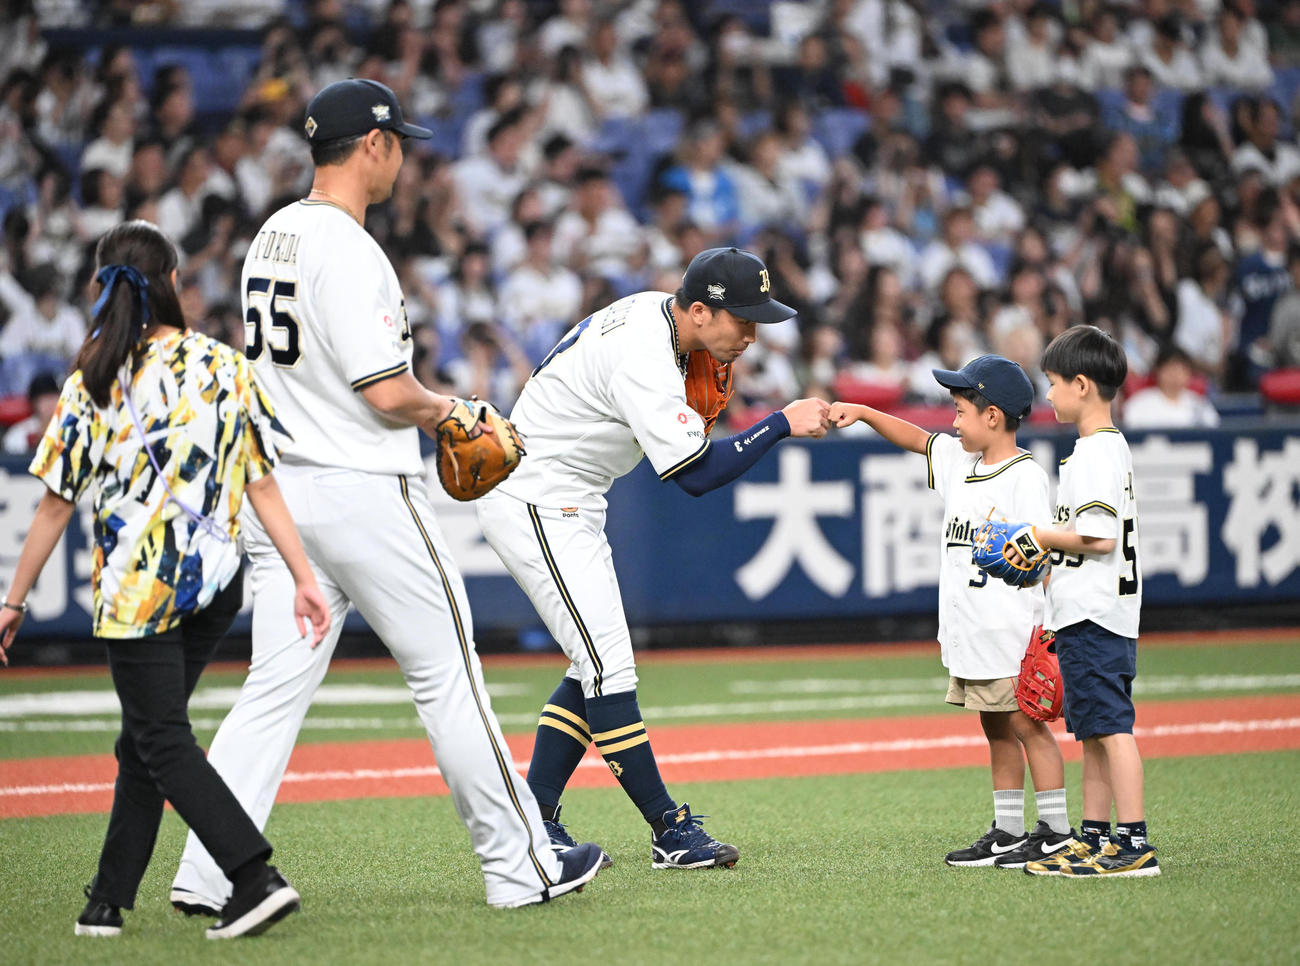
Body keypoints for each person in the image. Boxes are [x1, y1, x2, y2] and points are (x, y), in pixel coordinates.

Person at [169, 78, 605, 914]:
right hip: (364, 488)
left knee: (270, 689)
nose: (403, 153)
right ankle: (523, 868)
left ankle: (207, 870)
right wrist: (457, 407)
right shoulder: (349, 247)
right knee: (448, 675)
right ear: (372, 146)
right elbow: (384, 389)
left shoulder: (273, 234)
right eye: (398, 140)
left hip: (284, 499)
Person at [0, 220, 331, 938]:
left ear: (100, 290)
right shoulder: (222, 364)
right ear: (173, 283)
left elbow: (56, 501)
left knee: (160, 737)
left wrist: (13, 599)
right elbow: (262, 482)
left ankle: (254, 877)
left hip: (139, 592)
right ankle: (107, 901)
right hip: (215, 581)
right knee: (144, 739)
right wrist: (304, 576)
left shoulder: (93, 377)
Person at [475, 246, 831, 869]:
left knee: (599, 663)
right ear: (698, 310)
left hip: (567, 497)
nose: (750, 336)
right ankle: (669, 829)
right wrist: (779, 423)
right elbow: (694, 473)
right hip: (537, 498)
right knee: (609, 670)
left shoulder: (655, 317)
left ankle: (535, 817)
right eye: (741, 320)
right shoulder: (645, 351)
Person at [829, 356, 1073, 869]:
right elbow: (917, 438)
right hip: (971, 630)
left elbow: (1041, 554)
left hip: (1010, 630)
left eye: (961, 410)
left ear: (993, 416)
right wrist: (866, 412)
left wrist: (1046, 619)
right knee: (995, 727)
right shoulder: (962, 463)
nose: (953, 421)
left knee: (1029, 726)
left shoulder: (1023, 476)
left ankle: (1055, 831)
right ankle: (1008, 830)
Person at [1006, 326, 1158, 878]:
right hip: (1092, 608)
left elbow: (1097, 537)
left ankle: (1134, 842)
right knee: (1093, 730)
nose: (1047, 394)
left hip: (1096, 611)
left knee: (1111, 728)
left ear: (1082, 384)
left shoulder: (1096, 451)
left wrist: (1040, 537)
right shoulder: (1101, 448)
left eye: (1052, 382)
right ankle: (1094, 837)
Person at [1123, 346, 1219, 429]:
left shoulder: (1199, 404)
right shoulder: (1138, 405)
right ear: (1158, 370)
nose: (1175, 374)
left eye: (1181, 369)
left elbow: (1213, 430)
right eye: (1171, 368)